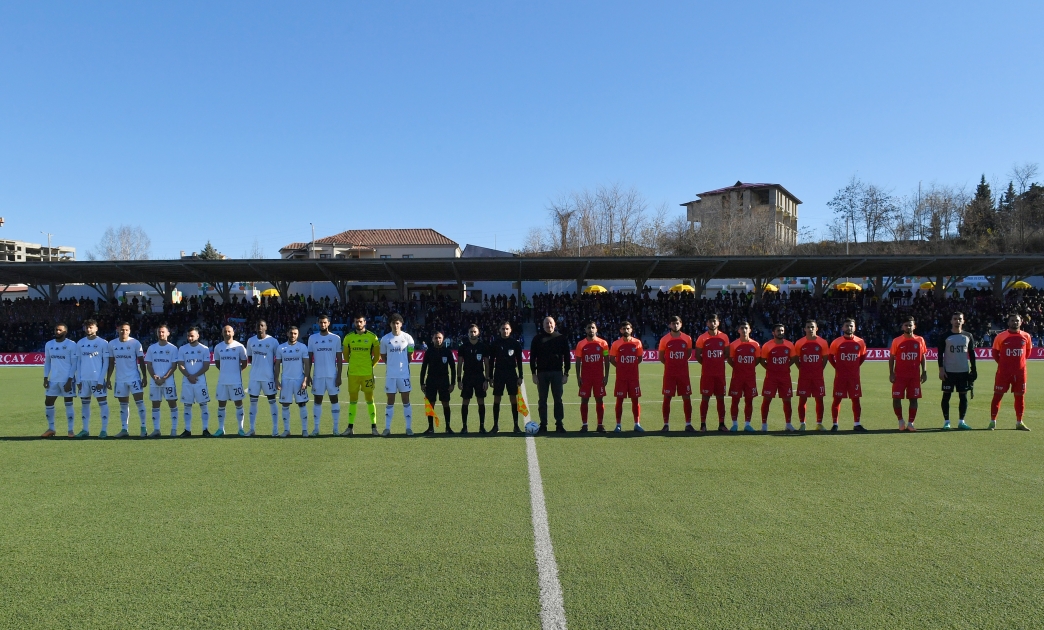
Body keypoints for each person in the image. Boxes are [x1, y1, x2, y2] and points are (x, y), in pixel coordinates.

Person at [990, 313, 1033, 431]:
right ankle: (992, 421)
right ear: (1008, 323)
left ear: (1021, 322)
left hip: (1020, 372)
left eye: (1017, 320)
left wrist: (1018, 364)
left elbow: (1027, 353)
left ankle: (1019, 422)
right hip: (1003, 373)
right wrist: (1004, 364)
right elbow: (995, 353)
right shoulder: (1000, 336)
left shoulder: (1026, 336)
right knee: (997, 396)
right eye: (1012, 321)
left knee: (1019, 397)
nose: (1015, 322)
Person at [106, 322, 149, 438]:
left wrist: (144, 377)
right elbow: (111, 363)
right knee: (123, 405)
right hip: (120, 380)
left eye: (126, 330)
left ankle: (144, 428)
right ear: (117, 330)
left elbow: (141, 361)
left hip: (134, 378)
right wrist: (108, 378)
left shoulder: (135, 343)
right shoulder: (112, 344)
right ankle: (124, 429)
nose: (123, 332)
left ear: (129, 331)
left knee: (139, 403)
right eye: (121, 330)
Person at [530, 316, 571, 433]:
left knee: (558, 399)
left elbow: (567, 356)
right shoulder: (537, 339)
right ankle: (543, 424)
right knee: (542, 400)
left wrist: (566, 373)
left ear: (555, 324)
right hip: (542, 374)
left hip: (557, 373)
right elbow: (532, 358)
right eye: (547, 324)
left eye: (551, 323)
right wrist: (533, 373)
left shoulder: (561, 338)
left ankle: (559, 424)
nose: (549, 326)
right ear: (543, 326)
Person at [341, 313, 381, 436]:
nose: (359, 324)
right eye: (356, 322)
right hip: (353, 373)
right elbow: (346, 356)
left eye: (361, 322)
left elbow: (377, 356)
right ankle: (350, 427)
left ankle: (374, 427)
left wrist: (369, 367)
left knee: (370, 399)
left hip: (367, 374)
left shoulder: (372, 337)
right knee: (353, 400)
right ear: (354, 323)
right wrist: (354, 364)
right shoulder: (348, 338)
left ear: (365, 323)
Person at [827, 318, 868, 432]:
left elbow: (863, 356)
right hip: (840, 377)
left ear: (855, 328)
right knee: (837, 399)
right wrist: (837, 367)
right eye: (847, 325)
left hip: (854, 377)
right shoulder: (836, 342)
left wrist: (854, 367)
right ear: (842, 328)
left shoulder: (860, 342)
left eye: (851, 326)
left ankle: (857, 424)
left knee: (856, 400)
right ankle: (835, 424)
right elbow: (830, 356)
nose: (849, 328)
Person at [889, 316, 928, 432]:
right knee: (896, 398)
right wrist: (891, 373)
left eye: (910, 325)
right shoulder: (897, 341)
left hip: (914, 376)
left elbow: (923, 356)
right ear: (902, 327)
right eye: (906, 325)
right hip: (899, 376)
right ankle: (900, 420)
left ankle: (911, 423)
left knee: (914, 399)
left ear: (914, 326)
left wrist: (924, 372)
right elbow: (891, 358)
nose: (908, 327)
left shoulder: (920, 340)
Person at [938, 312, 975, 431]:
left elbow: (972, 354)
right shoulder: (945, 336)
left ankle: (961, 421)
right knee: (946, 396)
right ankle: (947, 422)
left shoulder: (968, 336)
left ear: (963, 321)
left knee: (963, 396)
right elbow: (940, 354)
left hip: (963, 371)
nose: (957, 321)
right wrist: (941, 369)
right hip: (949, 371)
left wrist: (974, 369)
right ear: (951, 321)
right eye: (955, 319)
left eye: (960, 319)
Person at [380, 313, 415, 436]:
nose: (395, 325)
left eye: (397, 323)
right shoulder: (385, 339)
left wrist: (403, 365)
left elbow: (411, 355)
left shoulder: (408, 338)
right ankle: (387, 428)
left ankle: (408, 428)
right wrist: (391, 365)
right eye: (393, 323)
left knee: (406, 400)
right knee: (390, 400)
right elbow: (383, 356)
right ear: (390, 324)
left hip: (404, 375)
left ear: (401, 324)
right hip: (390, 375)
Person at [307, 314, 342, 437]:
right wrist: (308, 375)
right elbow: (310, 358)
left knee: (334, 400)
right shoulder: (312, 338)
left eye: (325, 322)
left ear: (329, 323)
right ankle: (316, 429)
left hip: (332, 375)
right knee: (317, 401)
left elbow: (339, 358)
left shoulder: (336, 338)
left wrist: (339, 376)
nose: (323, 324)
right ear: (318, 323)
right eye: (321, 322)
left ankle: (336, 429)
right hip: (318, 376)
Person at [694, 314, 730, 433]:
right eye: (710, 321)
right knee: (705, 398)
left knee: (720, 398)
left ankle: (721, 424)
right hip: (707, 374)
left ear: (718, 323)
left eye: (714, 321)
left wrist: (717, 362)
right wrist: (707, 364)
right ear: (707, 324)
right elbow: (698, 355)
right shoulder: (702, 338)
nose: (712, 323)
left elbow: (726, 353)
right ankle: (703, 425)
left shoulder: (724, 337)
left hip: (720, 374)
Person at [75, 319, 110, 438]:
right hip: (84, 379)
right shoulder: (80, 343)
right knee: (84, 404)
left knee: (102, 403)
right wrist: (78, 380)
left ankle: (104, 430)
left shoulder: (103, 343)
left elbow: (106, 363)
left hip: (97, 379)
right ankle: (85, 429)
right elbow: (78, 362)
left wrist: (101, 380)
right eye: (86, 327)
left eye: (91, 327)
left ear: (96, 328)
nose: (88, 329)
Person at [658, 316, 694, 432]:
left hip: (683, 373)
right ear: (669, 325)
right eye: (673, 323)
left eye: (677, 323)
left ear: (681, 324)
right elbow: (661, 357)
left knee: (686, 397)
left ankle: (688, 424)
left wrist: (679, 364)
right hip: (670, 374)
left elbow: (688, 355)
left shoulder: (687, 338)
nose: (675, 325)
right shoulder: (664, 339)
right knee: (667, 397)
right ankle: (666, 424)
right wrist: (671, 365)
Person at [759, 323, 797, 432]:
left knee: (787, 400)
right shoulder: (767, 345)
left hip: (785, 377)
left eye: (782, 330)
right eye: (778, 331)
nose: (780, 332)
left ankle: (788, 424)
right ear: (773, 332)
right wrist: (770, 368)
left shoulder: (790, 345)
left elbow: (793, 358)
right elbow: (762, 360)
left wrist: (785, 366)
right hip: (771, 377)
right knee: (767, 400)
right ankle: (764, 425)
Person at [144, 324, 180, 437]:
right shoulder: (152, 348)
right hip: (155, 382)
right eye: (159, 332)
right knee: (155, 405)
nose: (161, 334)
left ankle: (174, 430)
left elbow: (174, 366)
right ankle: (156, 430)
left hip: (168, 381)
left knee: (172, 404)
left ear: (168, 333)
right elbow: (148, 365)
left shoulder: (173, 348)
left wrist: (164, 378)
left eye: (163, 332)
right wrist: (154, 376)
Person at [43, 323, 78, 438]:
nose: (58, 332)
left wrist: (70, 380)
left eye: (60, 330)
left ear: (65, 332)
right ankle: (51, 428)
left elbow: (74, 364)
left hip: (66, 379)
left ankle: (70, 430)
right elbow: (47, 362)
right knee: (48, 402)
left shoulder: (71, 345)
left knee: (68, 403)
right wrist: (45, 377)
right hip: (53, 379)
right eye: (56, 330)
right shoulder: (49, 344)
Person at [489, 321, 524, 434]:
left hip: (511, 374)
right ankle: (495, 425)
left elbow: (519, 361)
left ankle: (516, 425)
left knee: (513, 399)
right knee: (497, 399)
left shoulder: (515, 344)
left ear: (510, 330)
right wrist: (490, 376)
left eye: (507, 329)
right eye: (503, 329)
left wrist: (521, 376)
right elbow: (491, 361)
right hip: (498, 373)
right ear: (500, 330)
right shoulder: (495, 343)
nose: (505, 331)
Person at [574, 321, 610, 432]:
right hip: (585, 377)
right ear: (585, 330)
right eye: (589, 328)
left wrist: (606, 376)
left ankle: (600, 424)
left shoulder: (603, 344)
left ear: (596, 329)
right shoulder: (581, 344)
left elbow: (607, 360)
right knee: (584, 400)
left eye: (593, 327)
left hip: (599, 377)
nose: (591, 330)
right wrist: (578, 377)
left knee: (599, 400)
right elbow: (578, 362)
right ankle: (584, 425)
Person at [609, 321, 644, 433]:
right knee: (619, 401)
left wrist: (630, 366)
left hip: (634, 377)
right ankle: (618, 425)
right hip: (621, 378)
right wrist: (621, 367)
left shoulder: (637, 343)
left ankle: (637, 424)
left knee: (635, 400)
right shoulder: (616, 344)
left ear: (631, 329)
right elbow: (611, 358)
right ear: (621, 330)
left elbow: (639, 358)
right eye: (624, 329)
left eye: (628, 328)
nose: (626, 330)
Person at [246, 320, 280, 437]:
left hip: (268, 377)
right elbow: (250, 358)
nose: (259, 327)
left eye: (262, 325)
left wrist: (276, 377)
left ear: (266, 327)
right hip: (254, 377)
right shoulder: (251, 341)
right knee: (253, 403)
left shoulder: (273, 341)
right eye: (258, 325)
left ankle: (275, 429)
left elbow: (277, 360)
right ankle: (251, 429)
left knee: (272, 402)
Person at [794, 320, 829, 431]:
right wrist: (802, 369)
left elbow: (825, 358)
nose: (810, 329)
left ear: (816, 328)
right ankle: (802, 423)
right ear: (804, 329)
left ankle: (819, 423)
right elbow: (796, 359)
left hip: (818, 377)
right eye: (808, 327)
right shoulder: (799, 343)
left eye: (812, 327)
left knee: (819, 399)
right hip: (804, 376)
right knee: (802, 399)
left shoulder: (822, 342)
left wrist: (819, 369)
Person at [213, 324, 248, 436]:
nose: (227, 333)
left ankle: (241, 429)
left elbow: (244, 363)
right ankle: (220, 429)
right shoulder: (218, 347)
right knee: (221, 404)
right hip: (222, 381)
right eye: (225, 331)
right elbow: (218, 364)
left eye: (229, 331)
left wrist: (235, 372)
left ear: (233, 333)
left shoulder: (240, 347)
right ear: (222, 333)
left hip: (236, 381)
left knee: (238, 404)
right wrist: (226, 371)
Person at [275, 326, 310, 437]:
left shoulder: (303, 347)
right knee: (285, 405)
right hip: (286, 381)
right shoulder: (281, 348)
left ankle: (304, 430)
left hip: (299, 380)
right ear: (287, 333)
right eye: (291, 333)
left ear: (298, 335)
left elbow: (307, 364)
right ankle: (287, 430)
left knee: (302, 404)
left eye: (295, 333)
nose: (293, 335)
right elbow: (277, 365)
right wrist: (276, 380)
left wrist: (305, 379)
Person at [420, 330, 456, 434]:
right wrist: (422, 383)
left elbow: (453, 368)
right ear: (432, 339)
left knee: (445, 403)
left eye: (440, 338)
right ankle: (430, 428)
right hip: (431, 380)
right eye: (436, 338)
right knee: (430, 405)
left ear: (443, 339)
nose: (438, 340)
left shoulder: (447, 352)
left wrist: (452, 383)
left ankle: (448, 427)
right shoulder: (429, 352)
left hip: (444, 380)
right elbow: (423, 368)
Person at [177, 326, 210, 437]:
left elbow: (206, 366)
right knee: (187, 405)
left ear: (197, 336)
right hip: (187, 381)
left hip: (200, 381)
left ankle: (205, 429)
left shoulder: (204, 349)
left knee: (203, 405)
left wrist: (194, 376)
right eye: (188, 336)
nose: (190, 338)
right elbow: (180, 364)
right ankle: (187, 430)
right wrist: (188, 376)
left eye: (192, 335)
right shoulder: (182, 349)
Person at [457, 323, 490, 434]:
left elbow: (486, 364)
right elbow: (460, 364)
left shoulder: (483, 346)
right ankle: (464, 427)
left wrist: (486, 379)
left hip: (479, 377)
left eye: (475, 331)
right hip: (467, 377)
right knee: (465, 401)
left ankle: (482, 427)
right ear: (468, 333)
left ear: (478, 333)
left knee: (480, 400)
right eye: (471, 332)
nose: (473, 333)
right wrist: (459, 379)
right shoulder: (463, 347)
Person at [727, 321, 760, 432]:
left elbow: (757, 360)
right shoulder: (733, 345)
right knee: (735, 400)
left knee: (749, 401)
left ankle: (747, 424)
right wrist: (738, 368)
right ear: (738, 330)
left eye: (746, 328)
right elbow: (731, 360)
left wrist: (748, 368)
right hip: (737, 377)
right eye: (742, 328)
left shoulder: (755, 345)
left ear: (750, 330)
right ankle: (734, 424)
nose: (744, 330)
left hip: (750, 378)